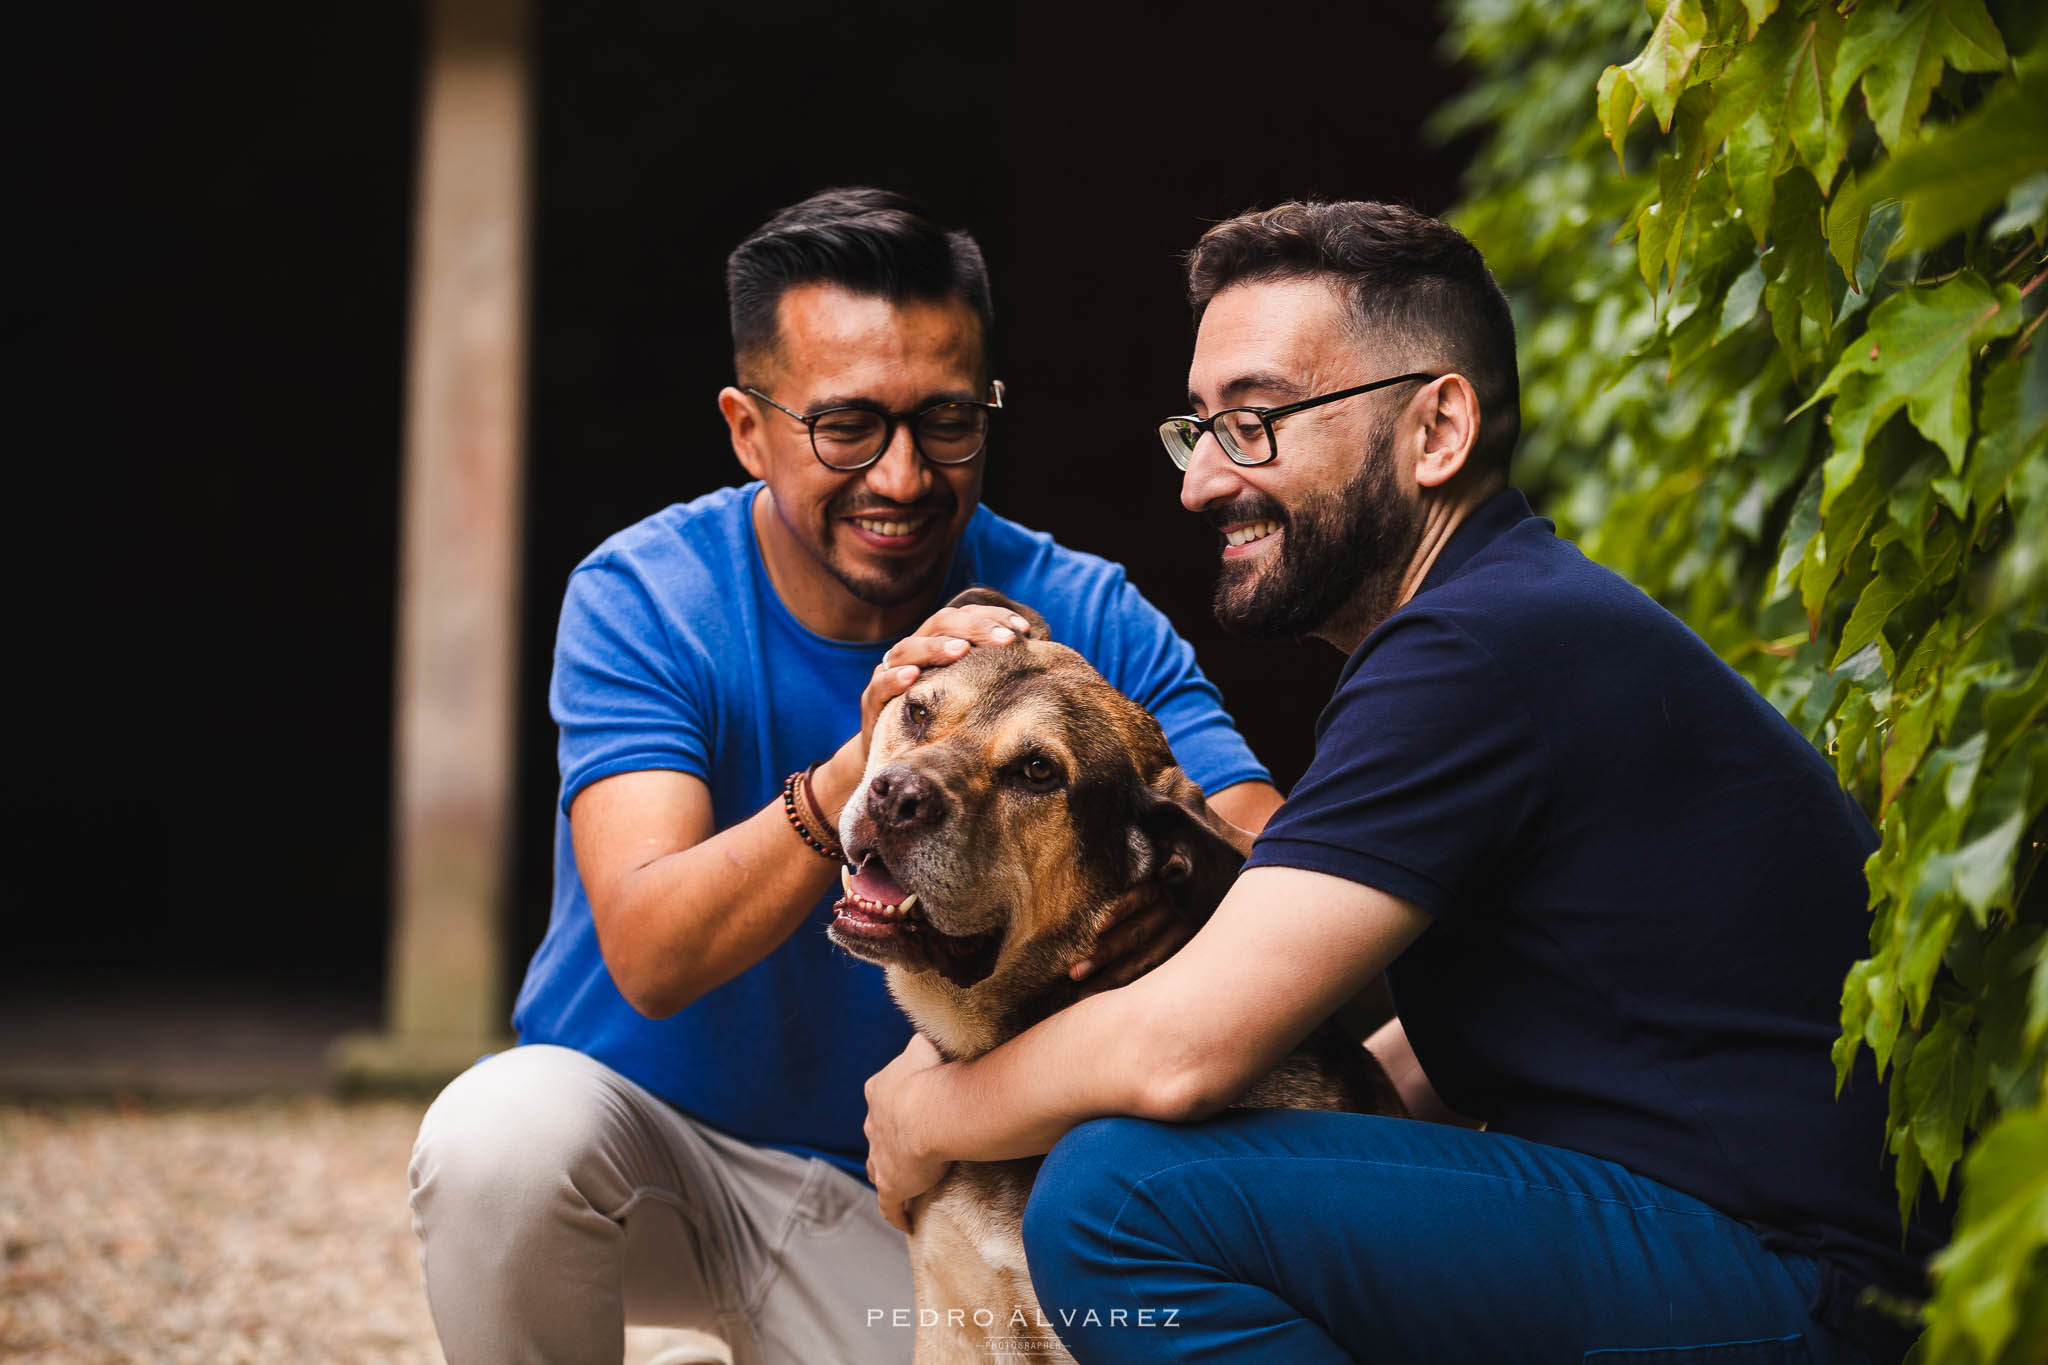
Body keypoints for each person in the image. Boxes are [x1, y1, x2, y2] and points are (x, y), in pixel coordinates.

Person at [862, 201, 1947, 1364]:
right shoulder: (1501, 627)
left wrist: (924, 1118)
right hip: (1737, 1250)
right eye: (1199, 432)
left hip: (1793, 1285)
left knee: (1119, 1200)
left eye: (1255, 423)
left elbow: (1180, 1051)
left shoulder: (1475, 647)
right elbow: (1403, 1062)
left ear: (1435, 430)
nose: (1199, 484)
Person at [405, 187, 1282, 1365]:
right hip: (659, 1167)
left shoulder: (1081, 617)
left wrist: (1168, 905)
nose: (905, 477)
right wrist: (856, 772)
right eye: (846, 427)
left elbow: (1260, 858)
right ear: (745, 426)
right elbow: (653, 951)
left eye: (948, 421)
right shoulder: (648, 596)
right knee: (496, 1138)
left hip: (910, 1191)